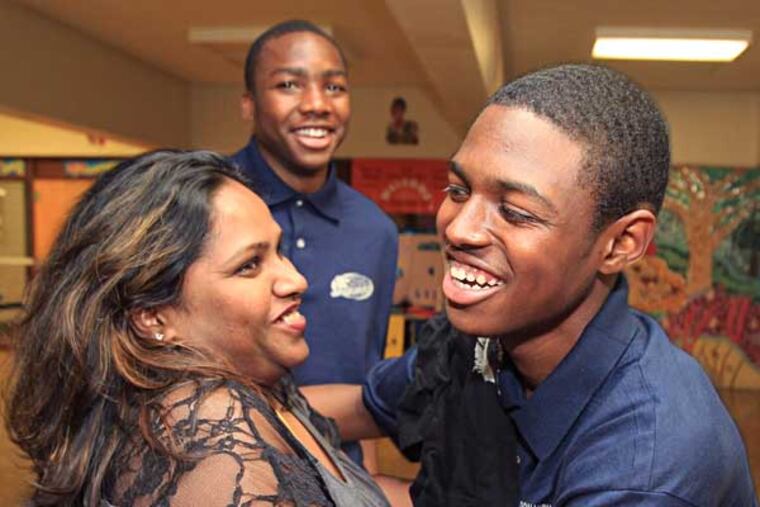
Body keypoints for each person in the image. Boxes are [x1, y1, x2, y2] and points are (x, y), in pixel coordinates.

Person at [318, 64, 758, 506]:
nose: (459, 229)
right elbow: (361, 408)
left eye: (516, 212)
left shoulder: (645, 465)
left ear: (621, 243)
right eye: (457, 191)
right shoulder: (477, 342)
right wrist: (248, 410)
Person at [4, 151, 390, 507]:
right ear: (153, 315)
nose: (296, 280)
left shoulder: (245, 386)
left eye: (278, 251)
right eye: (249, 265)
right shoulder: (207, 433)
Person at [231, 20, 398, 467]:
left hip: (335, 475)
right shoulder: (203, 207)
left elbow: (365, 383)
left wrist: (363, 485)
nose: (316, 104)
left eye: (334, 87)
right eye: (289, 84)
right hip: (223, 473)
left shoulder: (375, 229)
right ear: (249, 104)